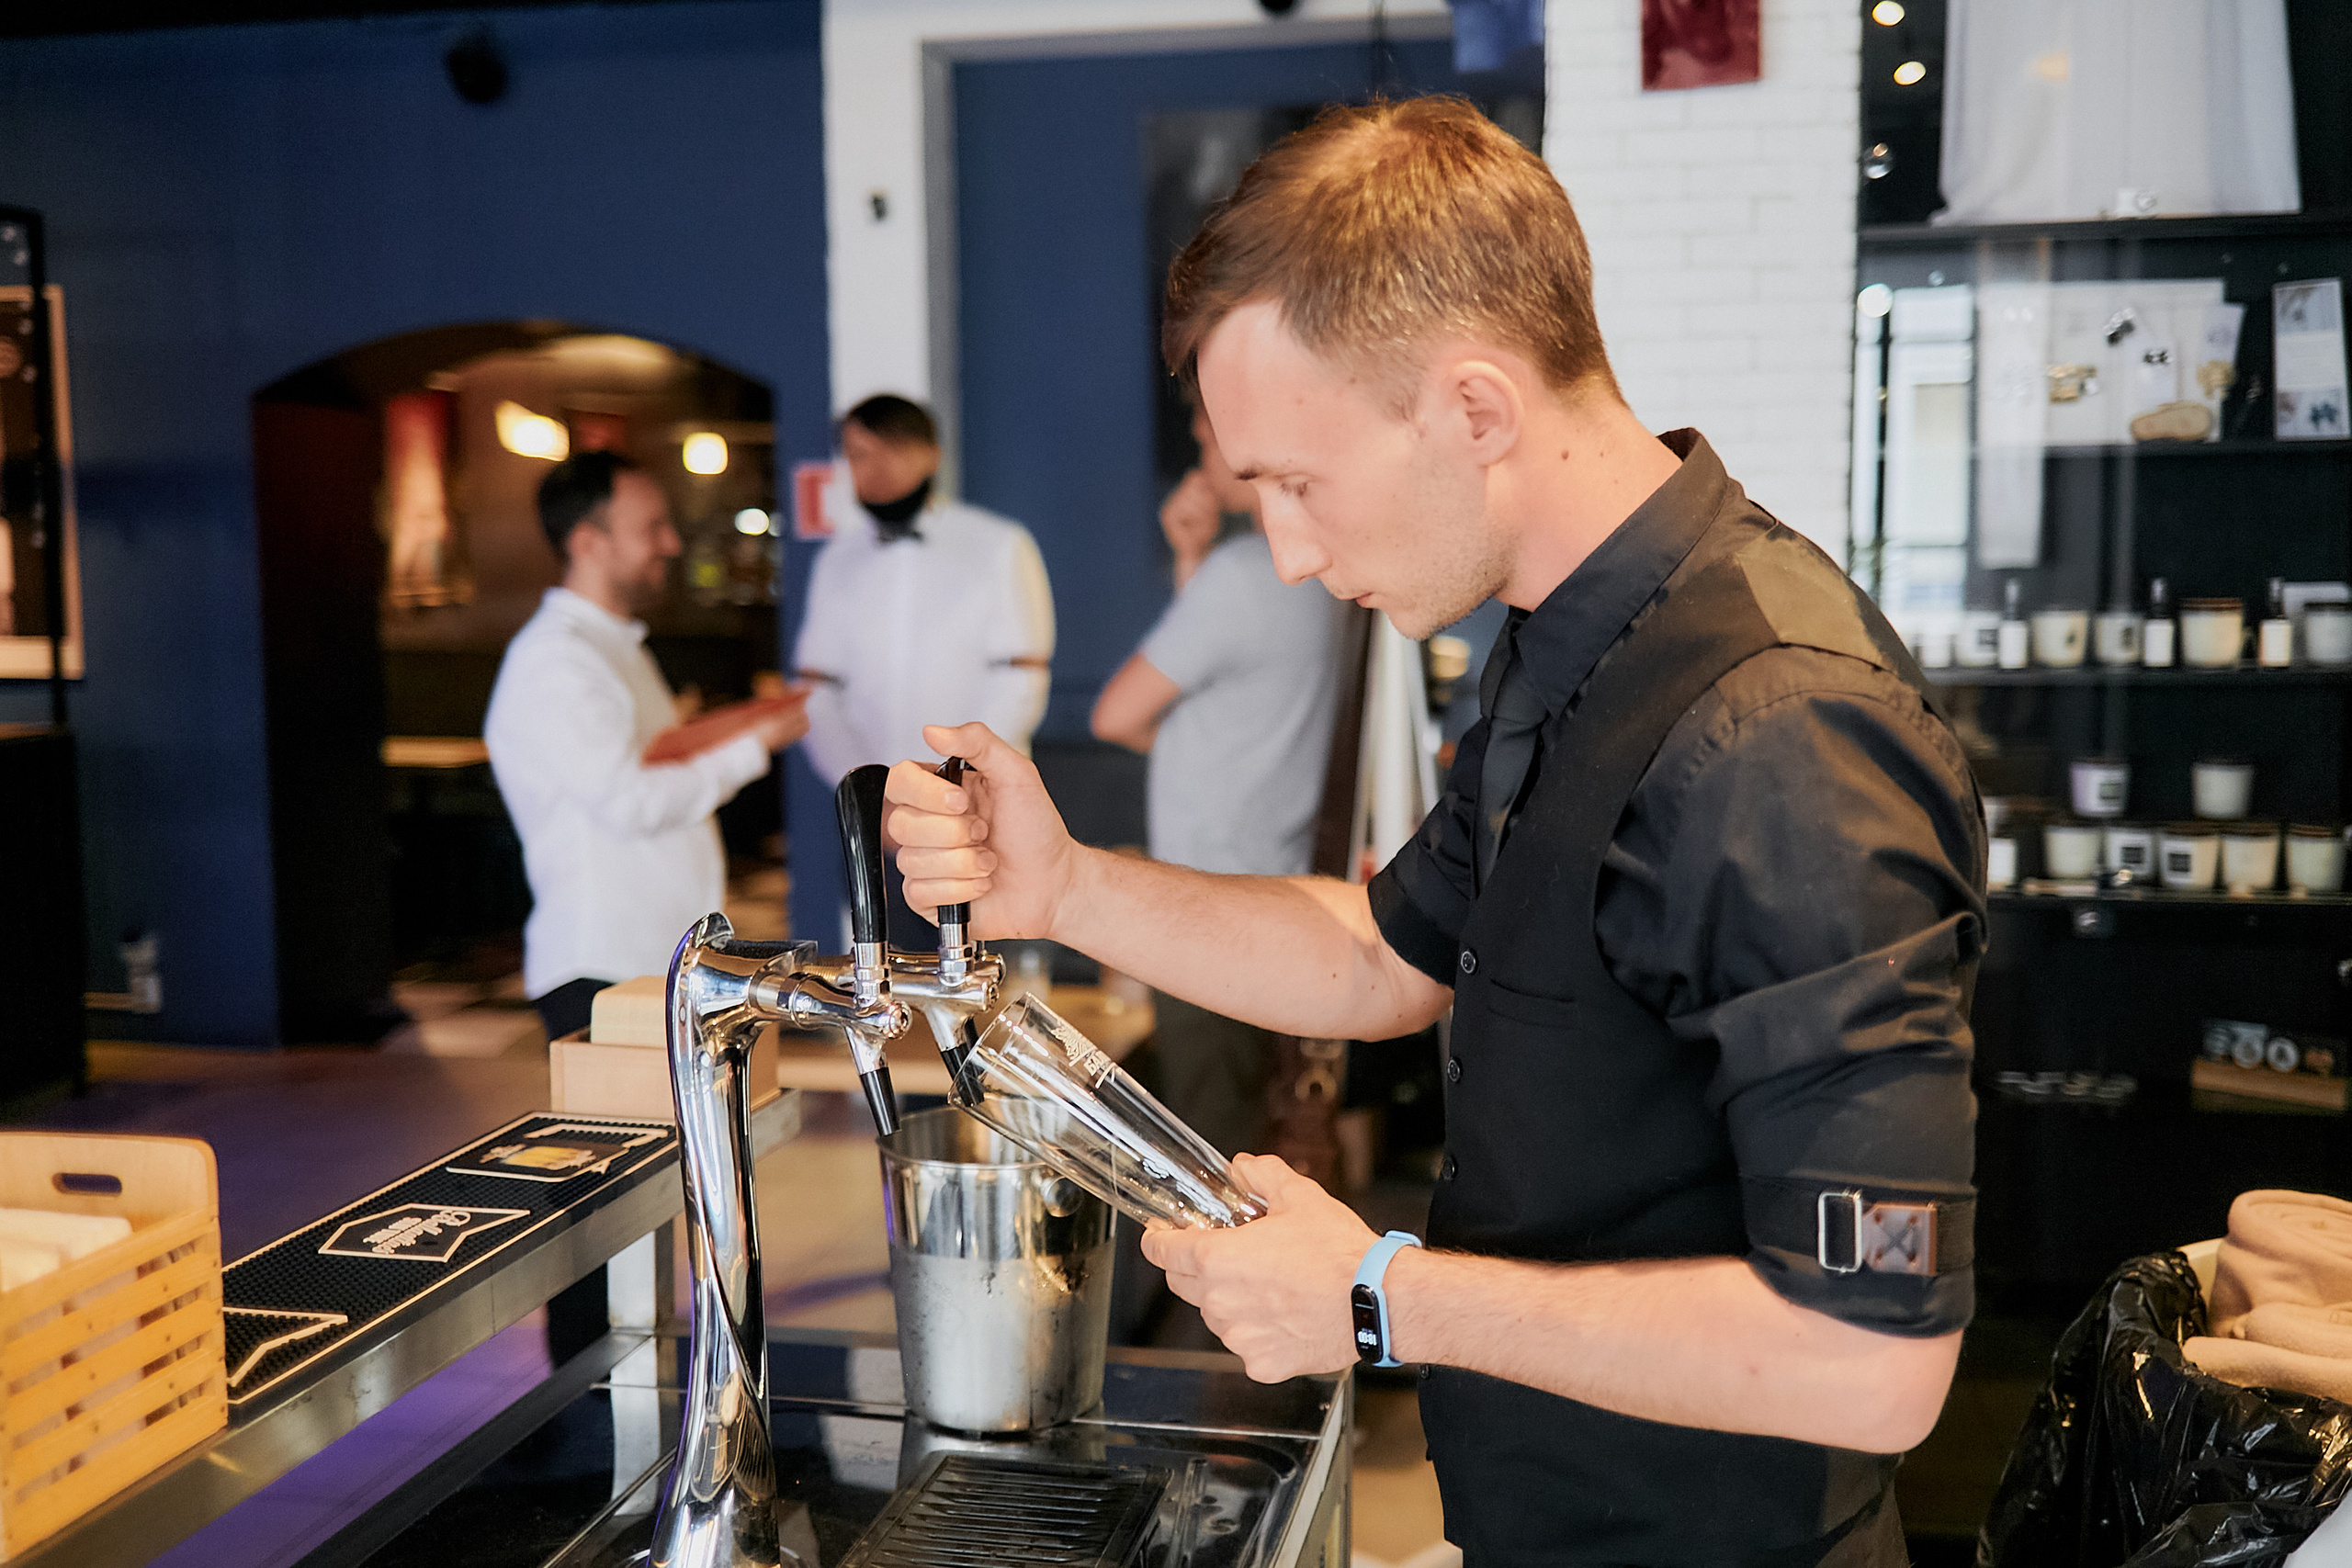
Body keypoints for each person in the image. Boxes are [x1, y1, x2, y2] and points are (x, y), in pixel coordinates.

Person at [884, 98, 1983, 1566]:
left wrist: (1379, 1293)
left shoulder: (1779, 736)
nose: (1284, 549)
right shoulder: (1559, 642)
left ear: (1474, 407)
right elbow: (1387, 954)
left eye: (1294, 481)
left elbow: (1873, 1355)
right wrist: (1065, 885)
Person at [1091, 401, 1349, 1159]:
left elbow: (1114, 714)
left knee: (1210, 1141)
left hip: (1203, 896)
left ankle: (1204, 1282)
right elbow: (1223, 690)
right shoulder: (1312, 566)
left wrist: (1173, 741)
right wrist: (1190, 558)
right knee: (1254, 1123)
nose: (1199, 444)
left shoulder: (1242, 575)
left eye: (1207, 430)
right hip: (1280, 880)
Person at [485, 451, 805, 1044]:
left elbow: (653, 758)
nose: (671, 544)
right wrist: (753, 746)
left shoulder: (613, 647)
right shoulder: (558, 659)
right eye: (650, 528)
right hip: (603, 965)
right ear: (588, 541)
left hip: (647, 959)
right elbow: (629, 801)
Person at [794, 394, 1054, 787]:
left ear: (932, 456)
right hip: (877, 807)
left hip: (977, 793)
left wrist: (952, 782)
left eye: (894, 450)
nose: (876, 467)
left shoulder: (1000, 545)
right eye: (860, 454)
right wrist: (866, 792)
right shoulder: (836, 560)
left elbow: (1020, 682)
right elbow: (818, 691)